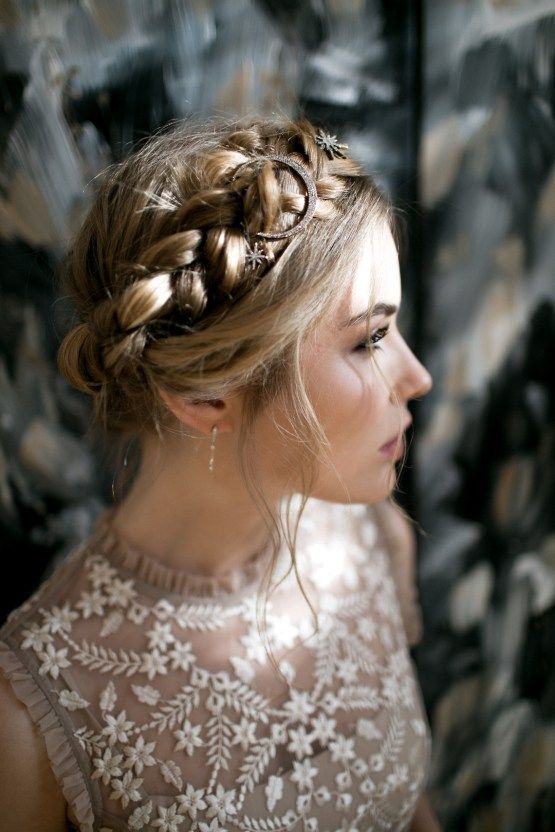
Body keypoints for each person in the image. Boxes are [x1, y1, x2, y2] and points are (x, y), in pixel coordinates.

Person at [0, 117, 440, 831]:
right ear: (207, 392)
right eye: (370, 340)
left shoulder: (372, 542)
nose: (417, 377)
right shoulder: (36, 711)